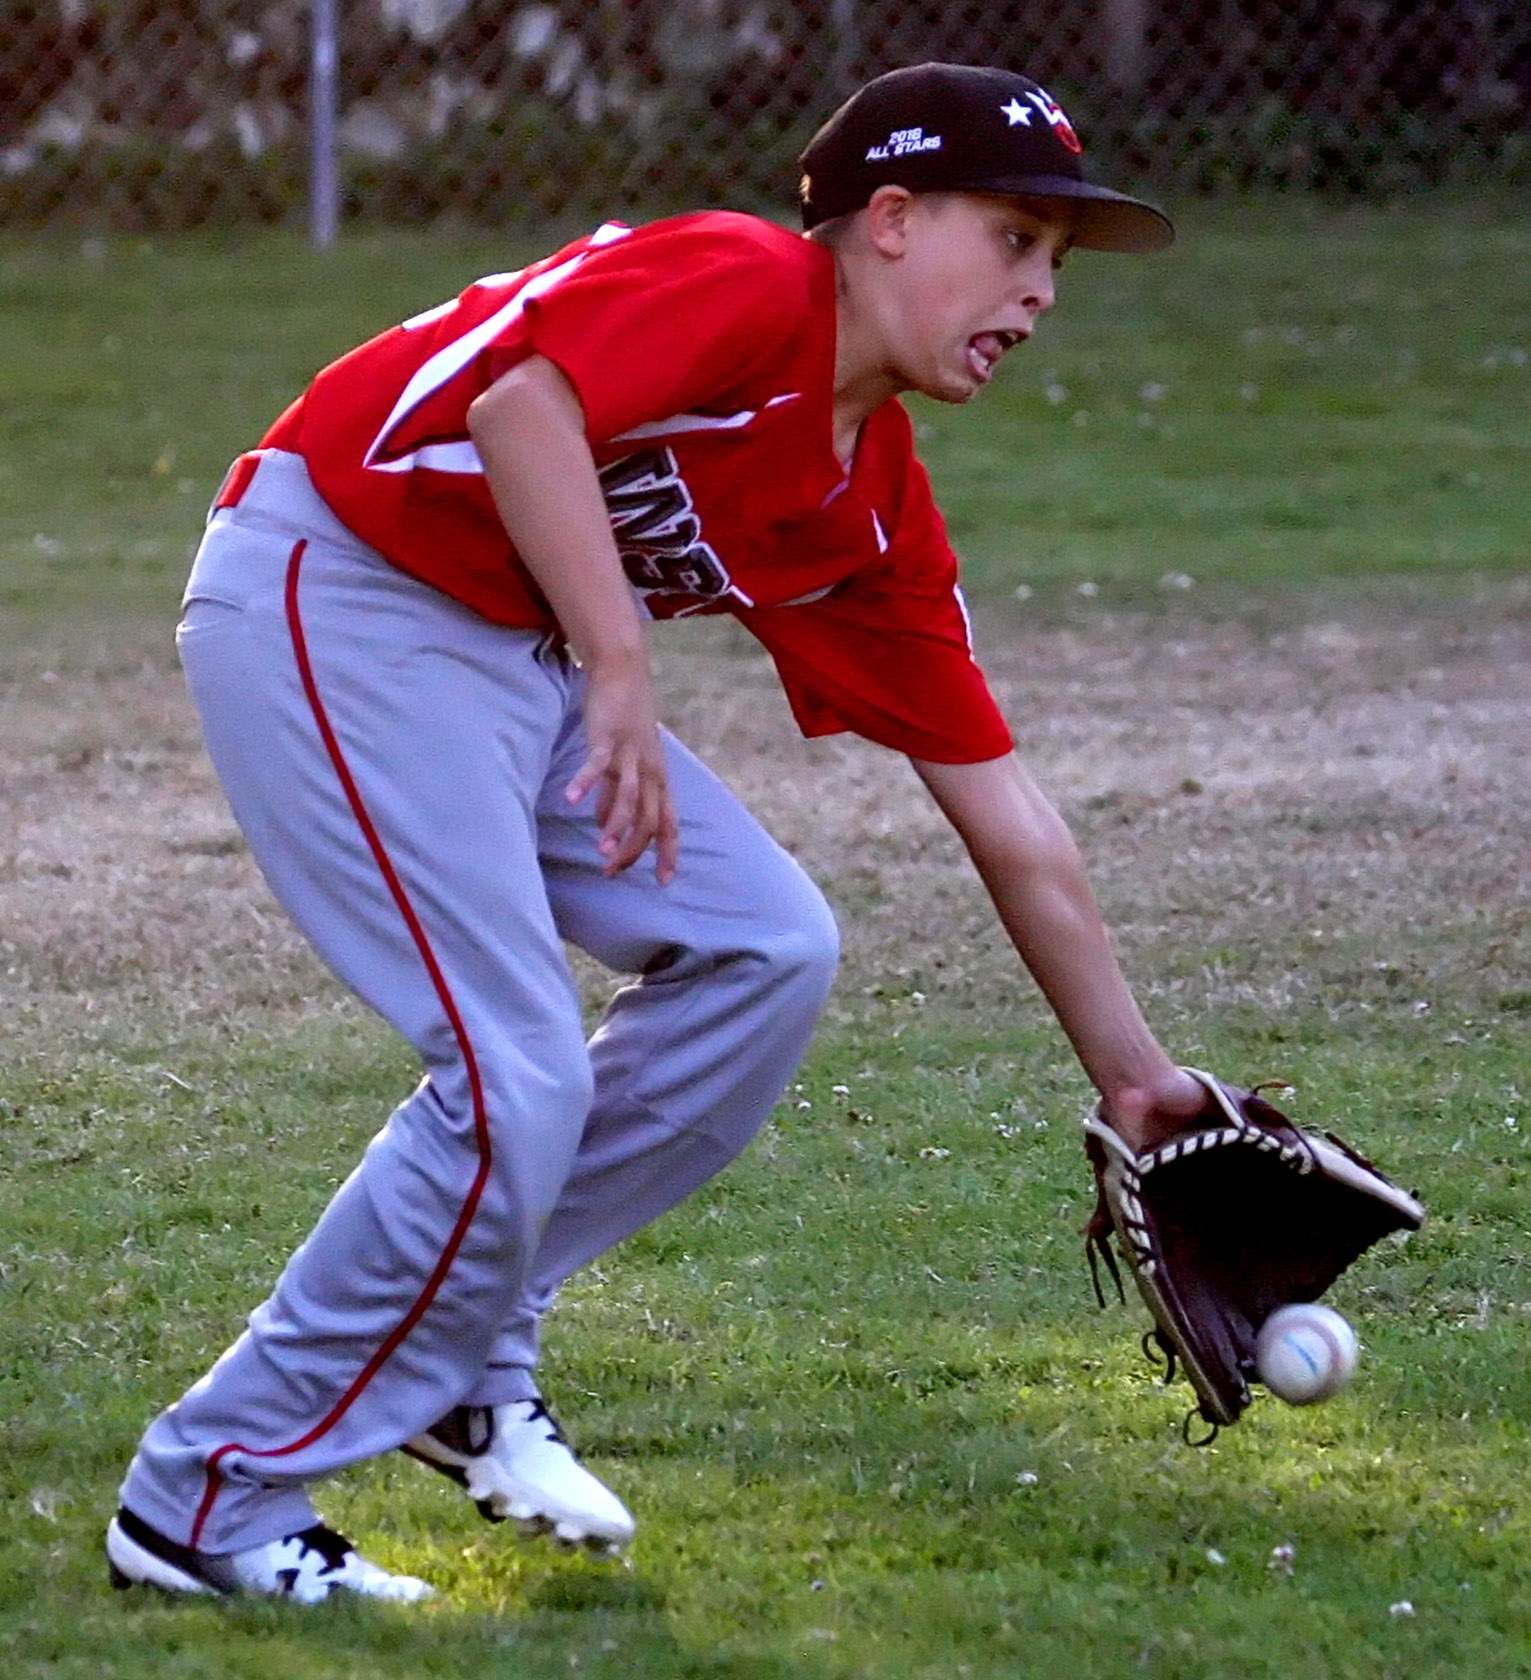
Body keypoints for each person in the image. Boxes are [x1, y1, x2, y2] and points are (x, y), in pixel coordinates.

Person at [106, 61, 1212, 1603]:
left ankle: (465, 1356)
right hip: (340, 589)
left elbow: (1002, 808)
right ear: (888, 219)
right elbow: (521, 405)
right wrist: (620, 658)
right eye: (1016, 237)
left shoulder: (871, 507)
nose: (1039, 292)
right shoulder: (751, 278)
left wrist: (1133, 1073)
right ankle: (202, 1502)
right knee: (510, 1074)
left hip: (520, 663)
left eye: (1056, 263)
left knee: (769, 948)